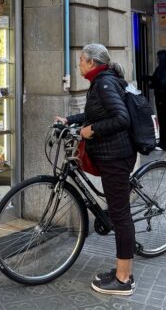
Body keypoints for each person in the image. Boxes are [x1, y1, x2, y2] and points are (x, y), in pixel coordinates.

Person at [56, 44, 135, 296]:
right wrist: (70, 121)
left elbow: (121, 118)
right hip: (110, 155)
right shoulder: (100, 82)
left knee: (120, 216)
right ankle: (121, 269)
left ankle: (124, 279)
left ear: (91, 62)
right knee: (117, 210)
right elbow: (96, 113)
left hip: (116, 157)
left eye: (80, 60)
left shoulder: (103, 83)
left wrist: (92, 131)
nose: (78, 64)